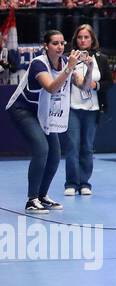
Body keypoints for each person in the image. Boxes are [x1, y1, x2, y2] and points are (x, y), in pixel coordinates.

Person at [5, 29, 85, 212]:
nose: (60, 47)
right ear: (46, 46)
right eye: (55, 43)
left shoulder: (65, 63)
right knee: (42, 149)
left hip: (43, 112)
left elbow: (83, 84)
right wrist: (69, 68)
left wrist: (87, 70)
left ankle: (42, 195)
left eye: (62, 43)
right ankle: (31, 199)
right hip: (23, 110)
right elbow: (51, 87)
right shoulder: (38, 64)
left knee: (55, 154)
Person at [62, 23, 113, 197]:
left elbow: (109, 82)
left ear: (92, 40)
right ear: (75, 40)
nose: (83, 40)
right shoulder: (69, 58)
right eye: (80, 37)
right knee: (72, 146)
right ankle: (71, 183)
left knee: (87, 147)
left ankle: (85, 183)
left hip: (93, 109)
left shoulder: (101, 58)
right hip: (72, 108)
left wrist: (96, 85)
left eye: (86, 37)